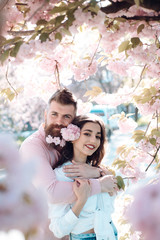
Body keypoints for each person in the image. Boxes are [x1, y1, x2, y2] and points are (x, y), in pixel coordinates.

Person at [20, 88, 117, 240]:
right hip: (44, 231)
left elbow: (113, 182)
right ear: (45, 115)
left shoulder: (68, 141)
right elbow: (51, 193)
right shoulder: (32, 147)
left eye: (66, 116)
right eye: (54, 114)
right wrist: (99, 184)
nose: (59, 121)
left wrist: (97, 172)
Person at [48, 114, 118, 240]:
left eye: (98, 136)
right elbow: (58, 230)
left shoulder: (97, 170)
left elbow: (113, 194)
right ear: (73, 137)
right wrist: (81, 201)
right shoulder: (63, 174)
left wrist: (97, 172)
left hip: (110, 233)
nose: (93, 140)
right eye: (87, 134)